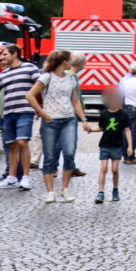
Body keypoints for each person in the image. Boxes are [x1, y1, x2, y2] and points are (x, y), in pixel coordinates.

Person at [26, 49, 88, 203]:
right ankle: (50, 192)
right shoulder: (46, 77)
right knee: (49, 157)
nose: (72, 62)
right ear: (64, 62)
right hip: (50, 121)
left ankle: (65, 189)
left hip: (68, 120)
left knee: (69, 154)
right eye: (70, 59)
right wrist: (42, 113)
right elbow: (30, 95)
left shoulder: (71, 78)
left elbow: (75, 100)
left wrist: (83, 119)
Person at [0, 44, 40, 190]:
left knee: (22, 142)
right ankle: (11, 178)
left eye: (4, 54)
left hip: (25, 111)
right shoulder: (3, 74)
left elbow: (40, 84)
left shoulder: (30, 68)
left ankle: (25, 177)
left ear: (14, 54)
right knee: (11, 145)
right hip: (8, 113)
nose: (2, 58)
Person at [82, 88, 132, 203]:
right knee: (103, 168)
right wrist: (91, 130)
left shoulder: (123, 114)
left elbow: (127, 130)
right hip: (105, 145)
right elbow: (101, 127)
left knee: (114, 169)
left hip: (117, 145)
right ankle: (100, 192)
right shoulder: (104, 114)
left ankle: (115, 190)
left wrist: (130, 146)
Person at [64, 54, 88, 177]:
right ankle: (68, 167)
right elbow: (75, 98)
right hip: (69, 114)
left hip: (69, 113)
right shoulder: (70, 76)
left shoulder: (70, 75)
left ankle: (69, 166)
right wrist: (82, 117)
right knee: (70, 142)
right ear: (80, 64)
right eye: (85, 63)